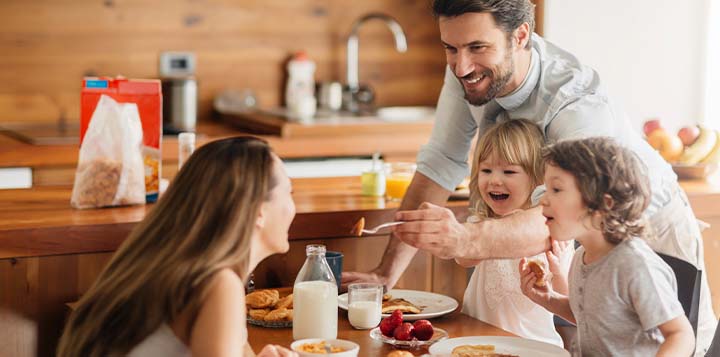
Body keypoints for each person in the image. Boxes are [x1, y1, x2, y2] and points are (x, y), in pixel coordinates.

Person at [342, 0, 716, 353]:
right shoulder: (466, 69)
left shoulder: (576, 101)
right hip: (580, 236)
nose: (460, 67)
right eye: (450, 49)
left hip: (648, 229)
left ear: (520, 36)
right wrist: (385, 274)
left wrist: (464, 237)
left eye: (476, 47)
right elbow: (441, 162)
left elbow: (564, 211)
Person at [57, 137, 298, 357]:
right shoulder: (219, 284)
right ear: (258, 212)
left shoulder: (168, 261)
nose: (293, 206)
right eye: (289, 192)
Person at [520, 137, 695, 356]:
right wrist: (549, 299)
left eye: (556, 189)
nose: (543, 200)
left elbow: (680, 334)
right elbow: (591, 318)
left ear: (603, 204)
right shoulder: (581, 256)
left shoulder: (635, 266)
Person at [458, 118, 573, 346]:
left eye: (509, 172)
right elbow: (462, 258)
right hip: (478, 341)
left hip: (533, 345)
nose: (494, 180)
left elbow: (569, 301)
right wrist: (487, 239)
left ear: (538, 179)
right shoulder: (482, 223)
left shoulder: (554, 231)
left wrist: (558, 272)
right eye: (486, 170)